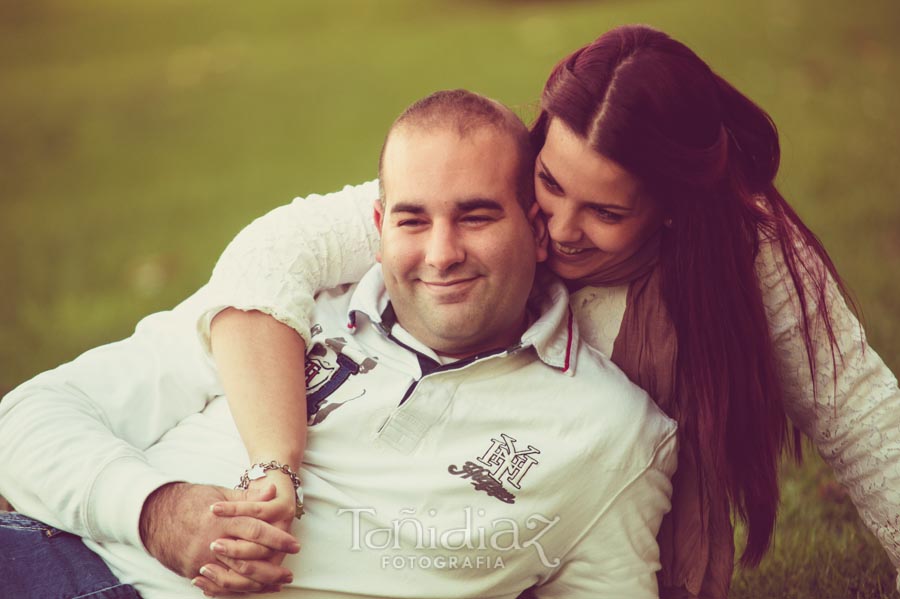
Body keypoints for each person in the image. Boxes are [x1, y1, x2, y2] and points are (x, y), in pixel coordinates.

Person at [192, 24, 900, 598]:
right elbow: (270, 254)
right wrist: (272, 459)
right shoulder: (479, 195)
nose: (559, 227)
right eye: (551, 184)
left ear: (671, 213)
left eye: (605, 211)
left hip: (598, 520)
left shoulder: (750, 256)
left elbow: (860, 414)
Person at [0, 90, 678, 598]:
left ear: (536, 230)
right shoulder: (285, 312)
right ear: (379, 226)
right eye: (413, 220)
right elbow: (28, 418)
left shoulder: (614, 433)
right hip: (63, 559)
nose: (441, 254)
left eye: (475, 216)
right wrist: (156, 511)